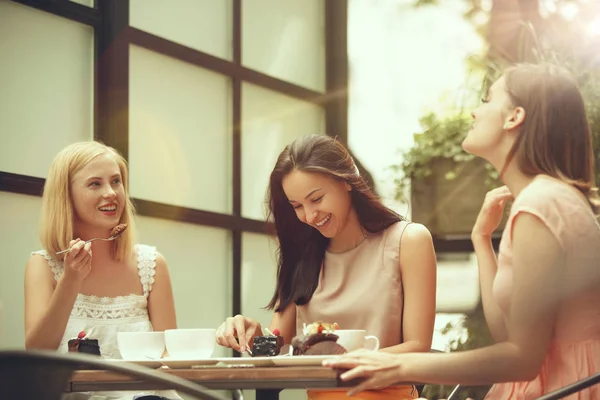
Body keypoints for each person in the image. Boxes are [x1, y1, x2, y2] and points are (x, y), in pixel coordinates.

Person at [324, 63, 600, 399]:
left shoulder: (543, 204)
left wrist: (398, 366)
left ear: (514, 117)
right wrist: (481, 241)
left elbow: (523, 358)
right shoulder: (545, 200)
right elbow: (509, 336)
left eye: (486, 100)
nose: (473, 112)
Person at [216, 134, 437, 399]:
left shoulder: (408, 241)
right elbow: (278, 348)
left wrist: (341, 361)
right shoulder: (302, 256)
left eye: (317, 199)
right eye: (297, 206)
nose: (309, 216)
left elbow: (418, 347)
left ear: (346, 182)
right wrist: (251, 334)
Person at [24, 141, 178, 400]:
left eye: (116, 181)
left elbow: (170, 355)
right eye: (95, 183)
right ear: (66, 195)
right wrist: (71, 280)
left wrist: (165, 364)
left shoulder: (152, 264)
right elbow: (37, 354)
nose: (111, 193)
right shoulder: (42, 266)